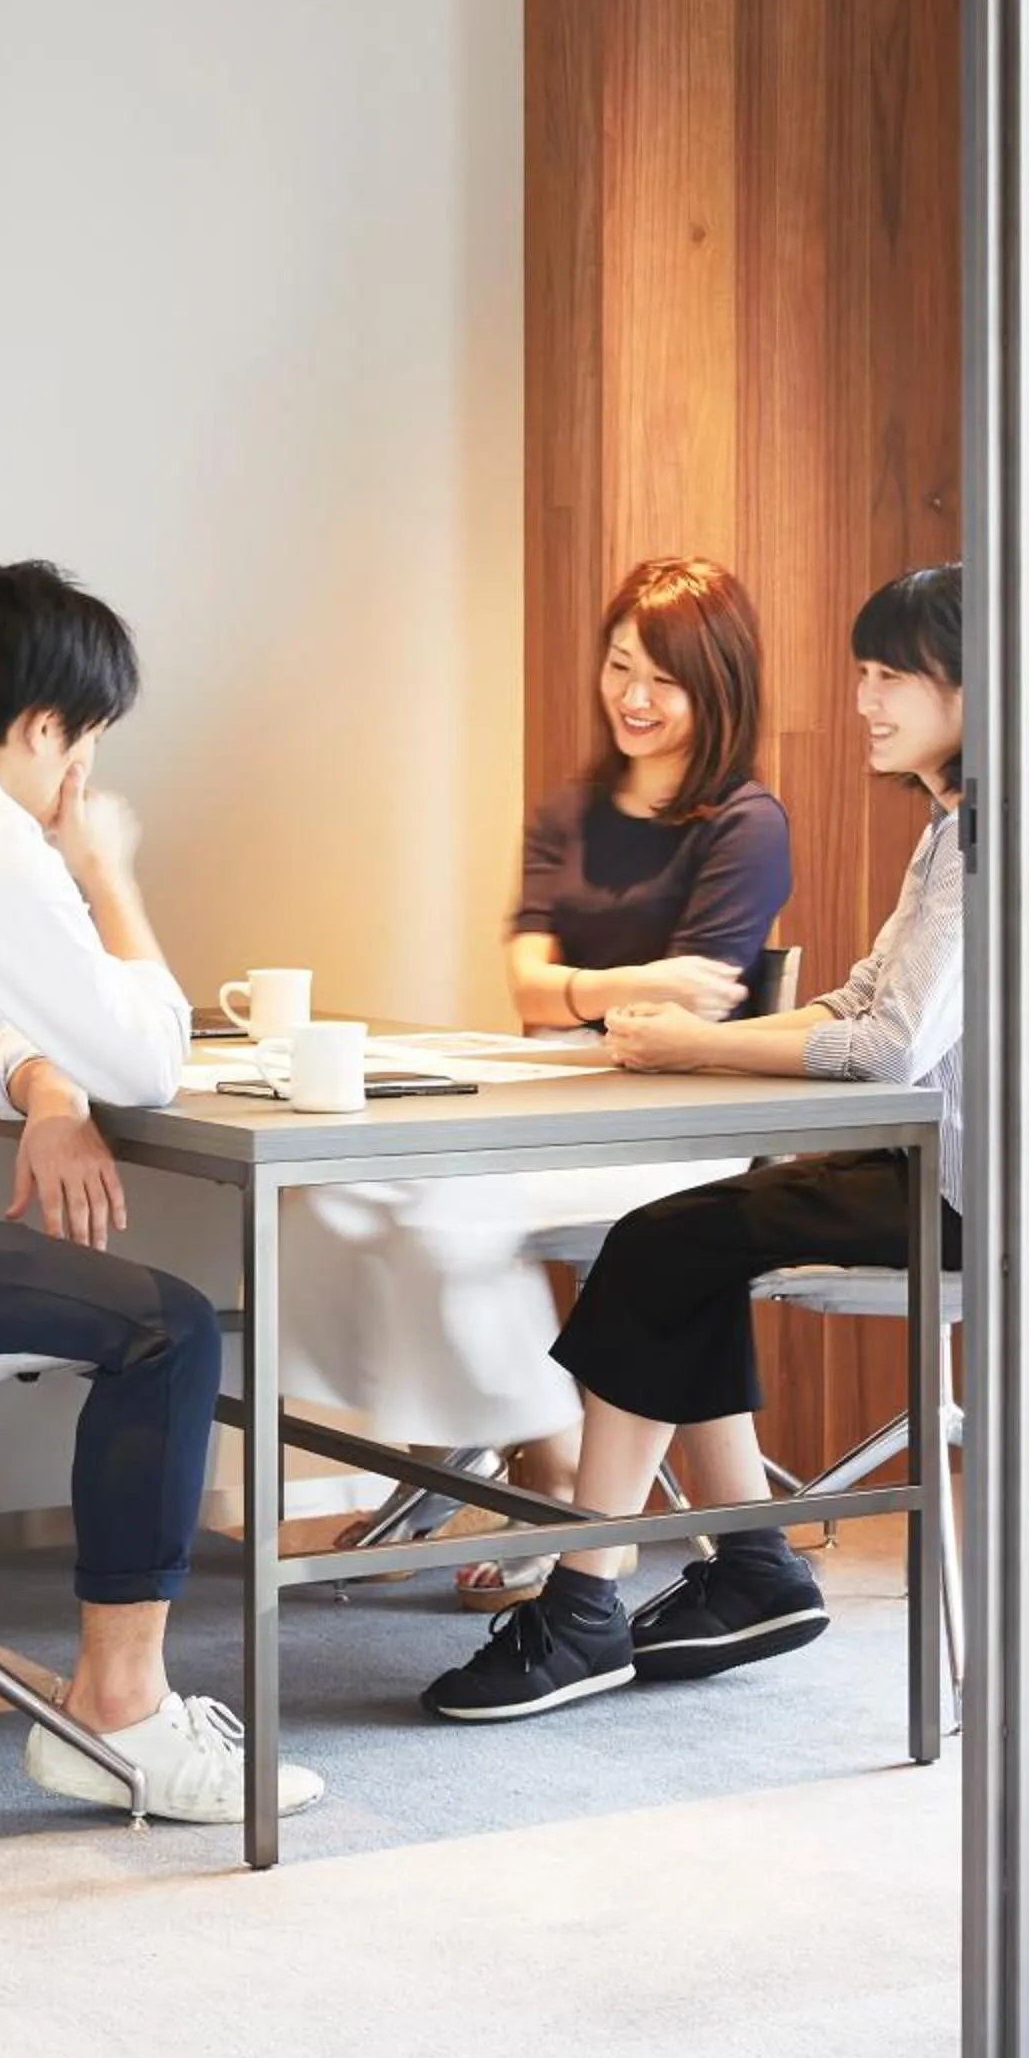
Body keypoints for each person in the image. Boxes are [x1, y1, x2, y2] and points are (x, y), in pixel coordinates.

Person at [420, 561, 1029, 1723]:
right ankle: (746, 1566)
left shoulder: (987, 838)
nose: (863, 698)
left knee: (658, 1246)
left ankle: (587, 1596)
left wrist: (686, 1048)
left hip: (966, 1193)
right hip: (954, 1170)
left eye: (889, 675)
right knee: (675, 1242)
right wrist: (686, 1043)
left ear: (969, 688)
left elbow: (885, 1051)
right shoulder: (971, 823)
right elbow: (860, 1004)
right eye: (862, 672)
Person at [0, 559, 322, 1826]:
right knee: (165, 1324)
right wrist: (104, 869)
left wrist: (48, 1098)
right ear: (48, 728)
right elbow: (148, 1056)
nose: (81, 775)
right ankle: (120, 1711)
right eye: (87, 743)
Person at [278, 557, 793, 1597]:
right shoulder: (569, 809)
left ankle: (543, 1459)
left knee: (450, 1207)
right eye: (618, 668)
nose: (632, 699)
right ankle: (495, 1447)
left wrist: (588, 988)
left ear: (718, 688)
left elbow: (688, 1009)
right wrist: (624, 984)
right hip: (557, 1087)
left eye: (664, 680)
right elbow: (524, 984)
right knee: (340, 1184)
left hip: (677, 1122)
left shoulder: (745, 823)